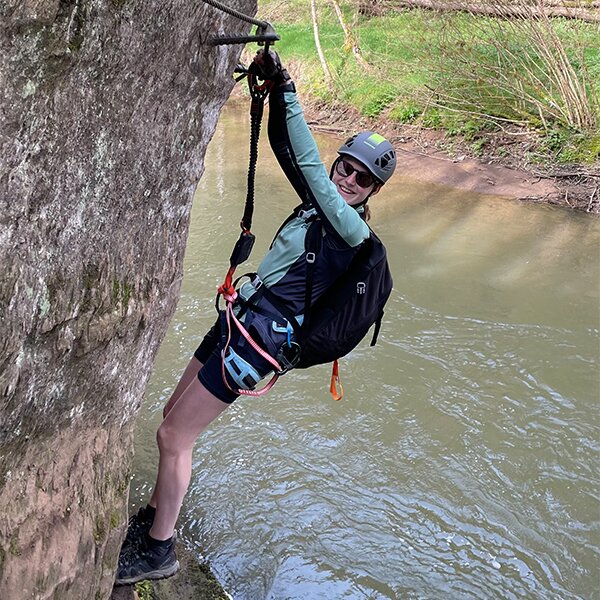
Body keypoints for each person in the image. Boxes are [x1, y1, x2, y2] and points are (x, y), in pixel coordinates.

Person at [115, 49, 397, 585]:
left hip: (256, 342)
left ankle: (158, 550)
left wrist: (287, 89)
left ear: (372, 193)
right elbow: (292, 157)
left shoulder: (350, 229)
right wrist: (269, 97)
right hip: (240, 319)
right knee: (168, 423)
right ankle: (155, 518)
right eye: (347, 167)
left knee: (176, 437)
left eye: (361, 179)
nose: (348, 179)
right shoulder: (323, 206)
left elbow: (309, 165)